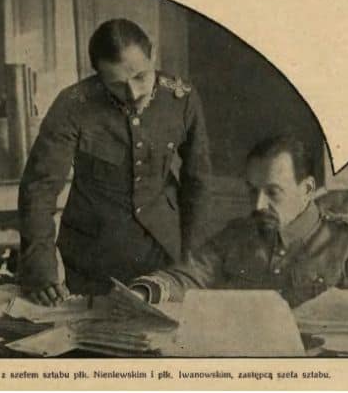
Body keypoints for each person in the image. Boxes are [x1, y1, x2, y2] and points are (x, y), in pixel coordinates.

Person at [18, 18, 211, 305]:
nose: (133, 93)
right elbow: (39, 189)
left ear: (153, 55)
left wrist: (191, 262)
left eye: (141, 77)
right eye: (117, 85)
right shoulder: (73, 105)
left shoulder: (182, 99)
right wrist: (41, 269)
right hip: (91, 260)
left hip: (162, 255)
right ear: (97, 75)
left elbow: (198, 183)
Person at [130, 135, 348, 306]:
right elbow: (189, 276)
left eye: (273, 192)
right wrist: (143, 292)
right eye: (253, 191)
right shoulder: (237, 234)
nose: (258, 205)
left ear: (307, 189)